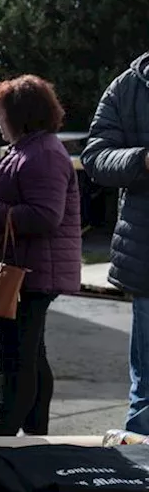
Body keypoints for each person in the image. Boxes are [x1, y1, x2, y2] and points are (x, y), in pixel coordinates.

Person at [0, 75, 81, 437]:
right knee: (32, 357)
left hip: (28, 275)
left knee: (15, 359)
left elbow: (44, 217)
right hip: (28, 271)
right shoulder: (33, 150)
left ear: (20, 114)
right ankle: (37, 439)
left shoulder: (42, 155)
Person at [81, 51, 149, 434]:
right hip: (147, 259)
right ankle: (138, 480)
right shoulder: (128, 86)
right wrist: (143, 160)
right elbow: (95, 157)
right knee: (148, 395)